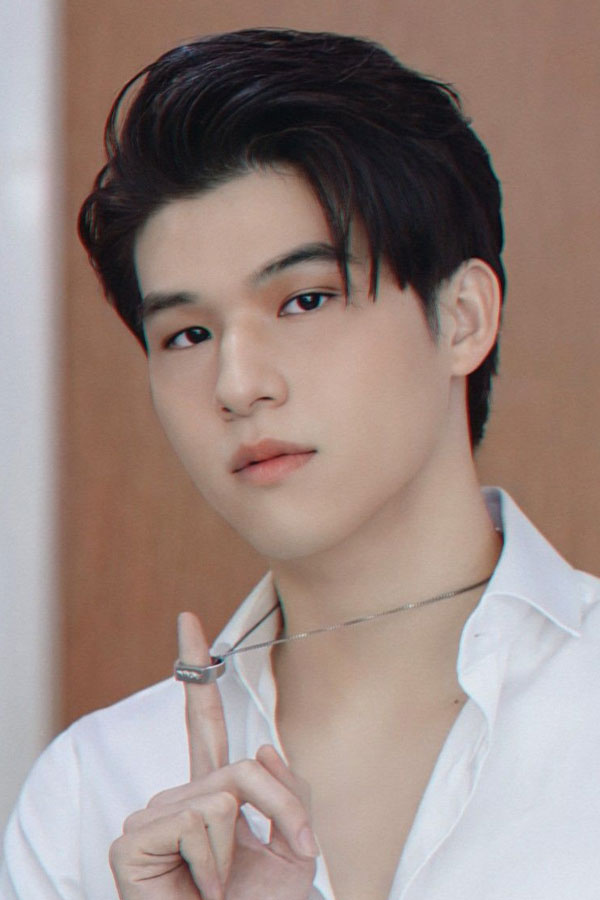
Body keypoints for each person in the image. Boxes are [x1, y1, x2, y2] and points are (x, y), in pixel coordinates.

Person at [2, 26, 599, 900]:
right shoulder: (95, 795)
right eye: (188, 335)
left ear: (463, 317)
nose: (237, 384)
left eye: (305, 299)